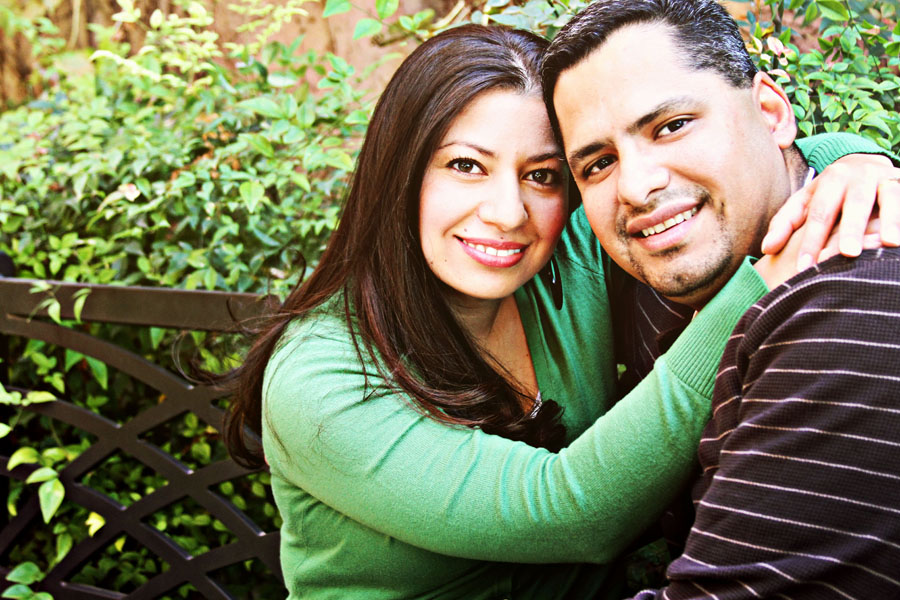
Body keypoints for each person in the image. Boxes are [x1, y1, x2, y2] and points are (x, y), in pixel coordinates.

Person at [223, 24, 895, 600]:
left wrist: (851, 168)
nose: (507, 213)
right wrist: (756, 288)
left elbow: (737, 169)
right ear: (400, 171)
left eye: (542, 174)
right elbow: (567, 511)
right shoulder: (321, 374)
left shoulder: (564, 259)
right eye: (466, 165)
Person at [542, 0, 900, 597]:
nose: (637, 187)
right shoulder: (671, 257)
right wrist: (852, 153)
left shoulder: (854, 304)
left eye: (672, 126)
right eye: (599, 163)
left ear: (770, 112)